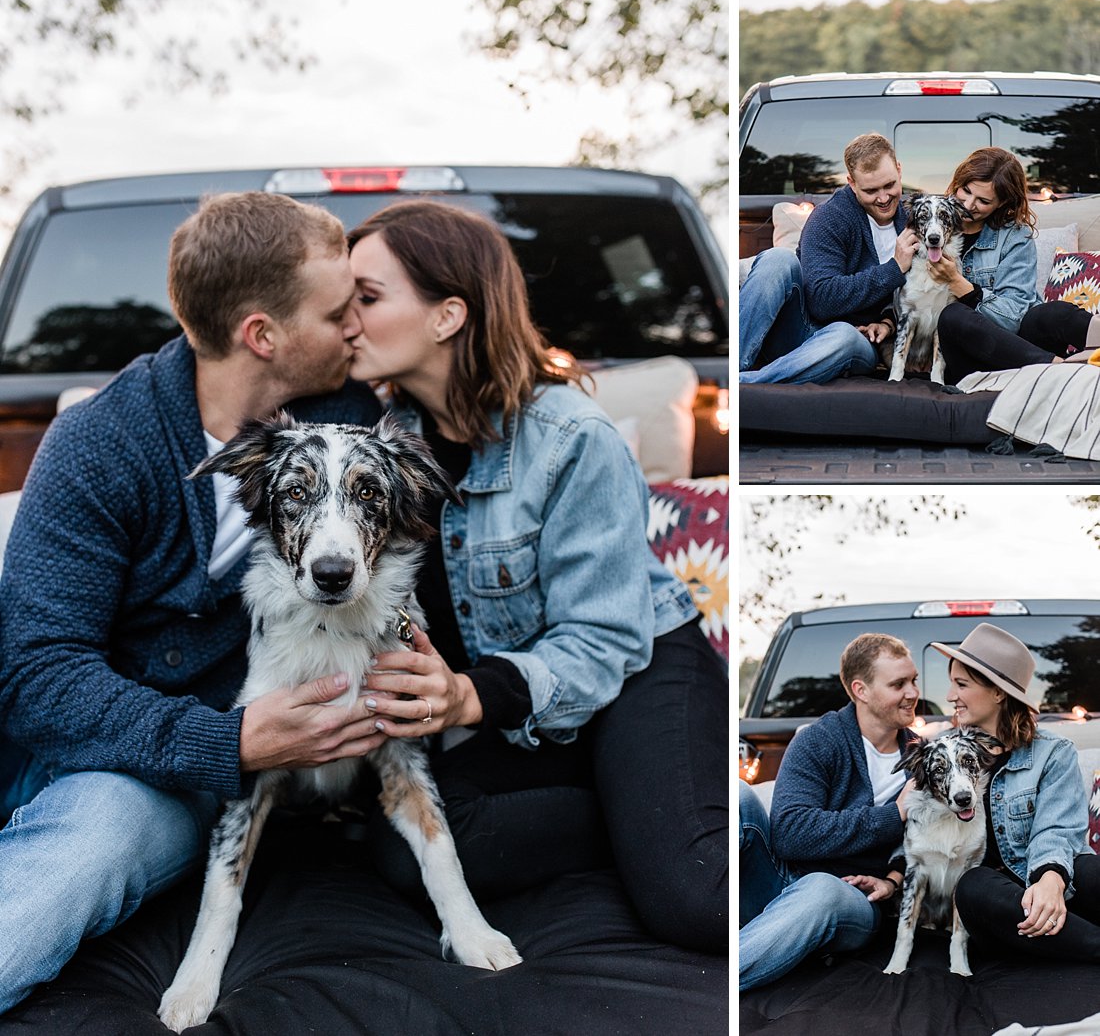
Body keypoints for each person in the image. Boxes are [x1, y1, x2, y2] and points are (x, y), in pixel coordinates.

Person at [0, 192, 385, 1012]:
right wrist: (227, 739)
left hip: (150, 787)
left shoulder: (352, 426)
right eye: (339, 308)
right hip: (100, 741)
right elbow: (35, 672)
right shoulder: (101, 443)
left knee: (96, 838)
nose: (359, 324)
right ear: (262, 335)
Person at [342, 199, 728, 952]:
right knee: (401, 847)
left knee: (693, 898)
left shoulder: (570, 439)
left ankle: (675, 813)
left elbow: (602, 637)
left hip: (635, 666)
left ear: (448, 315)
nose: (345, 320)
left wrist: (462, 694)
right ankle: (630, 808)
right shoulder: (374, 448)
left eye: (367, 297)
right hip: (520, 706)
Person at [740, 632, 920, 989]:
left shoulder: (922, 758)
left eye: (914, 680)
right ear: (861, 690)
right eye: (898, 684)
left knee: (822, 888)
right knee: (738, 795)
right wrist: (892, 815)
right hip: (782, 877)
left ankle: (721, 984)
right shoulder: (819, 740)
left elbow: (929, 843)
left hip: (854, 901)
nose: (913, 693)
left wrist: (891, 881)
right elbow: (790, 834)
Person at [939, 624, 1100, 957]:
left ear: (998, 692)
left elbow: (1057, 829)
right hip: (999, 903)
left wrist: (1050, 879)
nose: (950, 696)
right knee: (972, 885)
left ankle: (1062, 932)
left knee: (1090, 870)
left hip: (1051, 879)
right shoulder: (943, 757)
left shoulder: (1053, 752)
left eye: (961, 684)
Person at [739, 132, 919, 384]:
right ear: (852, 183)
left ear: (899, 170)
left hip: (856, 341)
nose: (883, 197)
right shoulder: (830, 218)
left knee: (844, 335)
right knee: (778, 259)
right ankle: (734, 369)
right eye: (870, 190)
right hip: (800, 329)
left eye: (889, 185)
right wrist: (894, 269)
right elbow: (822, 299)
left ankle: (749, 384)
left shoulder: (915, 219)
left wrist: (888, 323)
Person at [934, 147, 1099, 384]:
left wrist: (962, 286)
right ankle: (1058, 369)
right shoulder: (932, 224)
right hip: (970, 358)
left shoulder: (1014, 237)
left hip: (1018, 350)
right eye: (966, 191)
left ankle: (1087, 347)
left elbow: (1013, 319)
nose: (968, 205)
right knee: (954, 316)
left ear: (1002, 203)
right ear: (957, 182)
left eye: (983, 201)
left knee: (1049, 312)